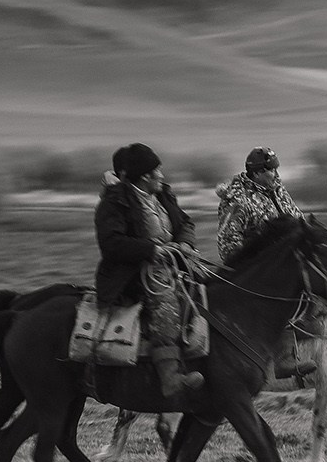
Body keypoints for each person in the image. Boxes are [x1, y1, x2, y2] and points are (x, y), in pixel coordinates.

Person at [93, 143, 201, 404]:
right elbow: (111, 243)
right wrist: (151, 250)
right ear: (144, 177)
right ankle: (170, 377)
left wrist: (185, 244)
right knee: (166, 304)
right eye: (157, 171)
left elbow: (185, 222)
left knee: (211, 294)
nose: (162, 176)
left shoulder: (162, 195)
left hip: (173, 265)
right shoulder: (115, 202)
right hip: (132, 274)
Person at [215, 146, 304, 268]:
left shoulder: (278, 190)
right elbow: (228, 249)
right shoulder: (237, 200)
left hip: (293, 264)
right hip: (262, 273)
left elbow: (299, 220)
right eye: (272, 171)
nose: (277, 175)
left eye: (276, 169)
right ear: (257, 173)